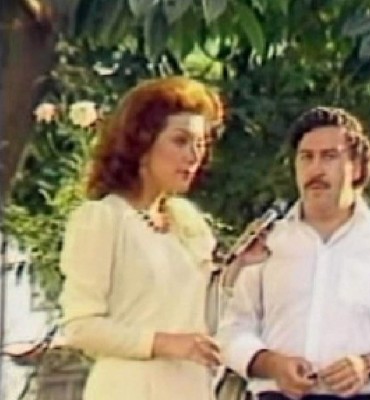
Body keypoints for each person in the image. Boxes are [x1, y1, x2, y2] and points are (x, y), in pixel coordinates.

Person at [59, 76, 265, 400]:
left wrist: (239, 266)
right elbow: (81, 327)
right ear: (141, 143)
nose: (194, 156)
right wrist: (164, 343)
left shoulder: (187, 222)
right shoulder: (103, 219)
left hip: (189, 387)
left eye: (201, 144)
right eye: (181, 141)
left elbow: (204, 318)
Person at [218, 106, 370, 400]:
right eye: (306, 157)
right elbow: (232, 329)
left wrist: (369, 366)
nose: (316, 170)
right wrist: (273, 364)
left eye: (329, 157)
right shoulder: (266, 243)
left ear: (358, 167)